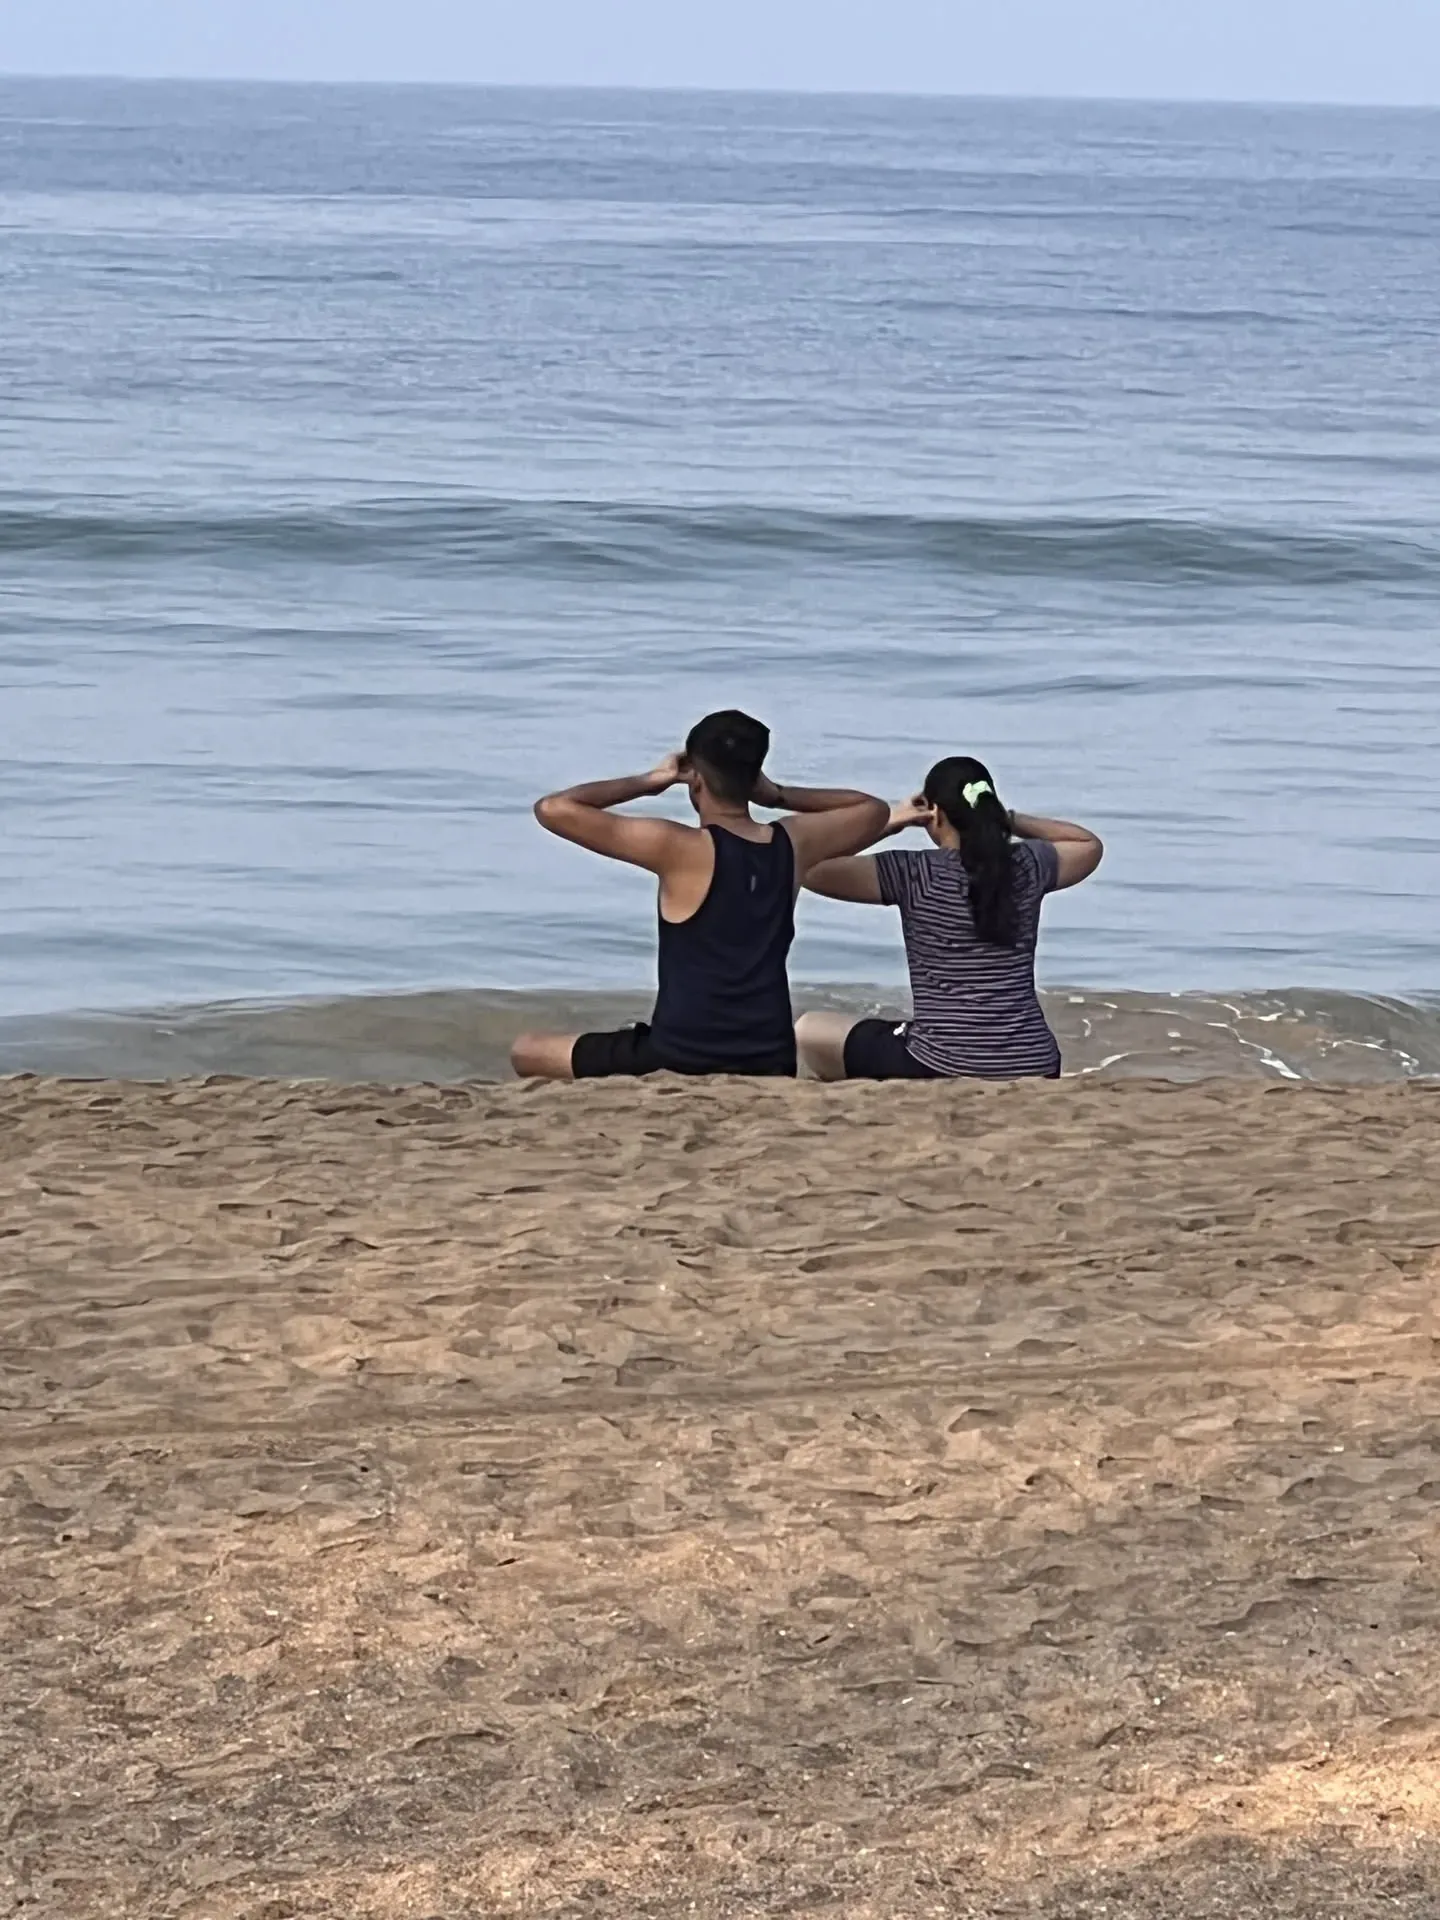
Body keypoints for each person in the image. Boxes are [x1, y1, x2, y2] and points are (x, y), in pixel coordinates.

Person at [511, 711, 889, 1080]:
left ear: (696, 778)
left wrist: (652, 779)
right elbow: (872, 810)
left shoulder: (675, 846)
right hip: (769, 1056)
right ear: (755, 773)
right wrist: (776, 794)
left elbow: (554, 809)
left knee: (526, 1050)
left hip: (679, 1053)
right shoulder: (793, 843)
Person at [794, 755, 1103, 1082]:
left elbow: (809, 867)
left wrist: (890, 821)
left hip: (943, 1063)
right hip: (1034, 1060)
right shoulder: (1028, 865)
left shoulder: (914, 873)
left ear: (935, 813)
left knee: (810, 1029)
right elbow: (1087, 844)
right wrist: (1007, 819)